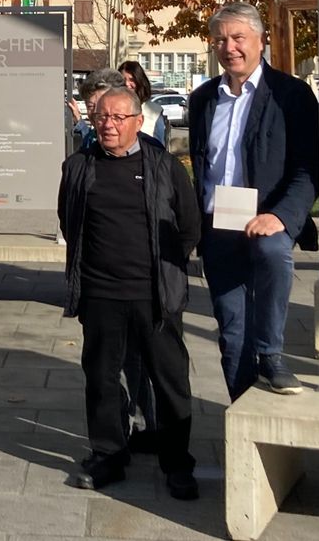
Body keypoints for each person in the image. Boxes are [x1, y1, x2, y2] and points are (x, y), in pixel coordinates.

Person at [58, 87, 201, 499]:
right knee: (101, 378)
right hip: (101, 293)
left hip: (155, 295)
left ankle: (177, 463)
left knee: (169, 379)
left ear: (139, 122)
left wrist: (164, 269)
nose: (108, 124)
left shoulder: (164, 165)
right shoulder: (79, 167)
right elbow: (70, 222)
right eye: (101, 116)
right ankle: (108, 455)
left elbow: (189, 225)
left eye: (119, 117)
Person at [188, 1, 319, 401]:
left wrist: (280, 216)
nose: (230, 47)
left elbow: (309, 167)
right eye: (221, 40)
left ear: (261, 41)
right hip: (218, 226)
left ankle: (272, 353)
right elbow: (201, 165)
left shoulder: (291, 95)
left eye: (238, 37)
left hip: (269, 218)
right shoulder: (203, 99)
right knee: (231, 333)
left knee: (274, 252)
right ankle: (245, 413)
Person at [67, 69, 126, 149]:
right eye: (90, 106)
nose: (95, 112)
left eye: (101, 105)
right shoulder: (91, 140)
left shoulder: (144, 149)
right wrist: (78, 120)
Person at [119, 60, 168, 147]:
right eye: (123, 80)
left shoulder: (154, 112)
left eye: (131, 80)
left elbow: (160, 148)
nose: (127, 84)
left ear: (139, 81)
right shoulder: (111, 110)